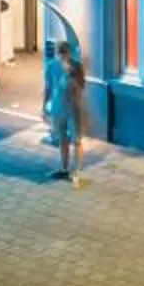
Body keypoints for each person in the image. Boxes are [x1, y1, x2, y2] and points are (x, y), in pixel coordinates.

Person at [44, 39, 87, 181]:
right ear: (56, 53)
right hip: (58, 108)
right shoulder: (51, 66)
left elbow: (82, 86)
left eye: (65, 53)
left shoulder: (76, 66)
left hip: (73, 108)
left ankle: (78, 171)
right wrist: (44, 106)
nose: (62, 57)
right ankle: (64, 168)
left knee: (76, 140)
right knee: (62, 139)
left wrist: (71, 73)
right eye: (59, 53)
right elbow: (48, 87)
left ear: (69, 53)